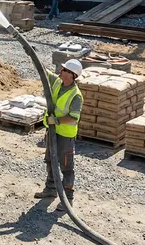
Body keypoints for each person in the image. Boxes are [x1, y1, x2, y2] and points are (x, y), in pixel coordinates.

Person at [34, 59, 84, 212]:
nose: (60, 71)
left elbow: (73, 117)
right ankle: (51, 188)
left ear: (71, 75)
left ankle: (68, 199)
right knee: (50, 160)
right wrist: (35, 58)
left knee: (66, 167)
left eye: (64, 69)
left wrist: (56, 120)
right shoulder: (57, 83)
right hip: (52, 131)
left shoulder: (76, 96)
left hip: (65, 136)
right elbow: (45, 72)